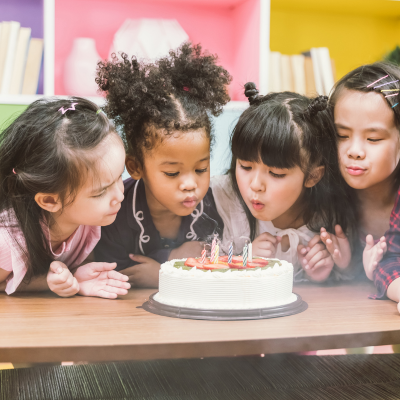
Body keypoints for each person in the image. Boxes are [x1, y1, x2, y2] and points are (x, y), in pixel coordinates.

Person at [94, 43, 230, 288]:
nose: (191, 185)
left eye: (201, 169)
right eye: (172, 173)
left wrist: (163, 270)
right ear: (136, 167)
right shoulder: (115, 211)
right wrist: (173, 261)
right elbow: (110, 274)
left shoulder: (215, 206)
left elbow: (219, 269)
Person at [211, 84, 356, 282]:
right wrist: (241, 261)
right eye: (245, 166)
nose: (255, 185)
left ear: (313, 176)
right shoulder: (217, 201)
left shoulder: (329, 219)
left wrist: (322, 275)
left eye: (276, 173)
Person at [0, 97, 130, 298]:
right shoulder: (8, 240)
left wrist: (75, 280)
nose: (120, 195)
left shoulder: (86, 217)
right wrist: (47, 283)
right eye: (101, 192)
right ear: (50, 201)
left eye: (120, 176)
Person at [330, 62, 400, 311]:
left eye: (373, 138)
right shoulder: (326, 193)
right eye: (342, 135)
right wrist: (347, 267)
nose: (355, 151)